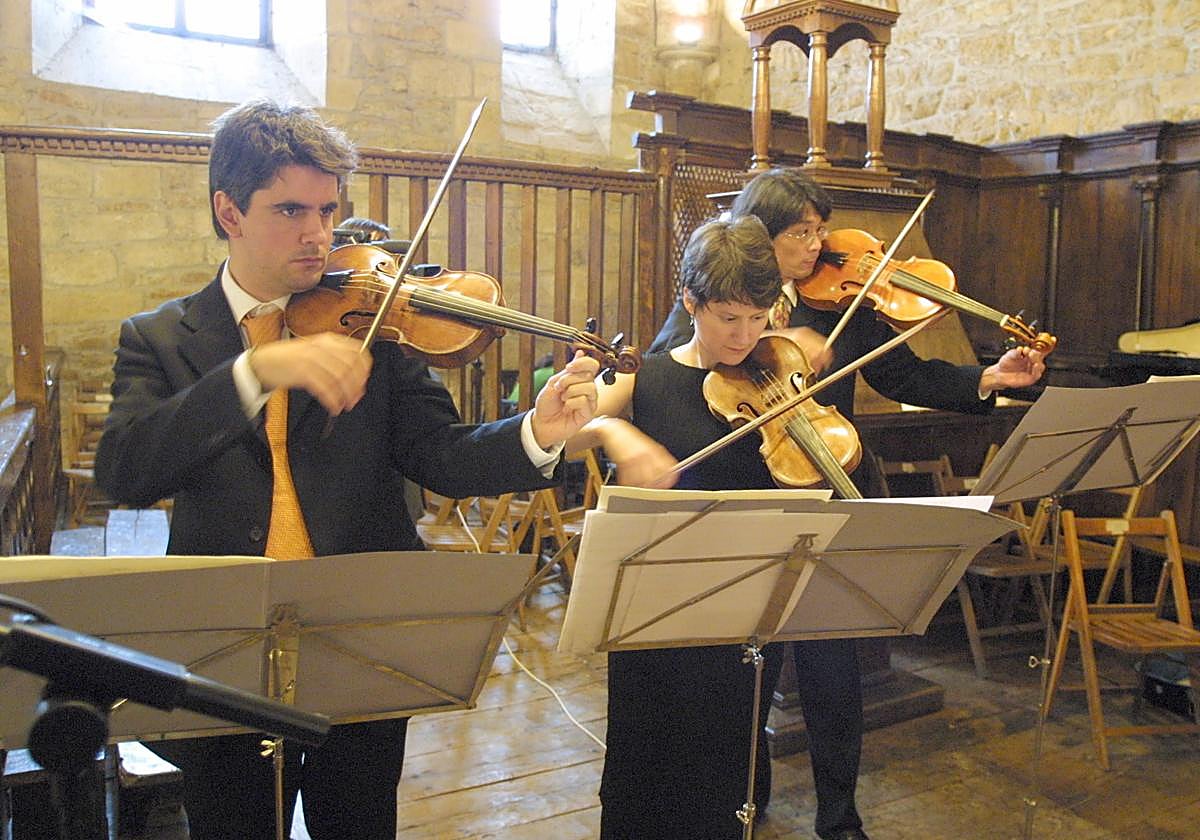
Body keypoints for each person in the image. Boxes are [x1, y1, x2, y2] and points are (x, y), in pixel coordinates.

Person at [94, 99, 599, 840]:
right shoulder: (161, 338)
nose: (319, 234)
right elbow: (126, 469)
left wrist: (535, 432)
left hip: (360, 637)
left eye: (329, 209)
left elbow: (439, 455)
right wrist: (254, 369)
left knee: (358, 826)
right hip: (223, 647)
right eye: (291, 209)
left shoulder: (370, 319)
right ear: (228, 211)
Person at [641, 167, 1046, 840]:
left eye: (820, 230)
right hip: (745, 507)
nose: (818, 247)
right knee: (750, 667)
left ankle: (840, 817)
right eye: (802, 232)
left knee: (835, 666)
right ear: (760, 235)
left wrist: (986, 376)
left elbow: (905, 374)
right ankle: (753, 793)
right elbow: (667, 371)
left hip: (825, 493)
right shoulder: (719, 295)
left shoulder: (839, 306)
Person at [566, 214, 785, 839]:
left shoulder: (775, 382)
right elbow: (568, 428)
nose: (745, 334)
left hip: (742, 605)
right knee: (645, 777)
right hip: (652, 612)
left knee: (724, 779)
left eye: (759, 315)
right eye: (728, 317)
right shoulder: (647, 375)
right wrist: (610, 428)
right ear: (690, 301)